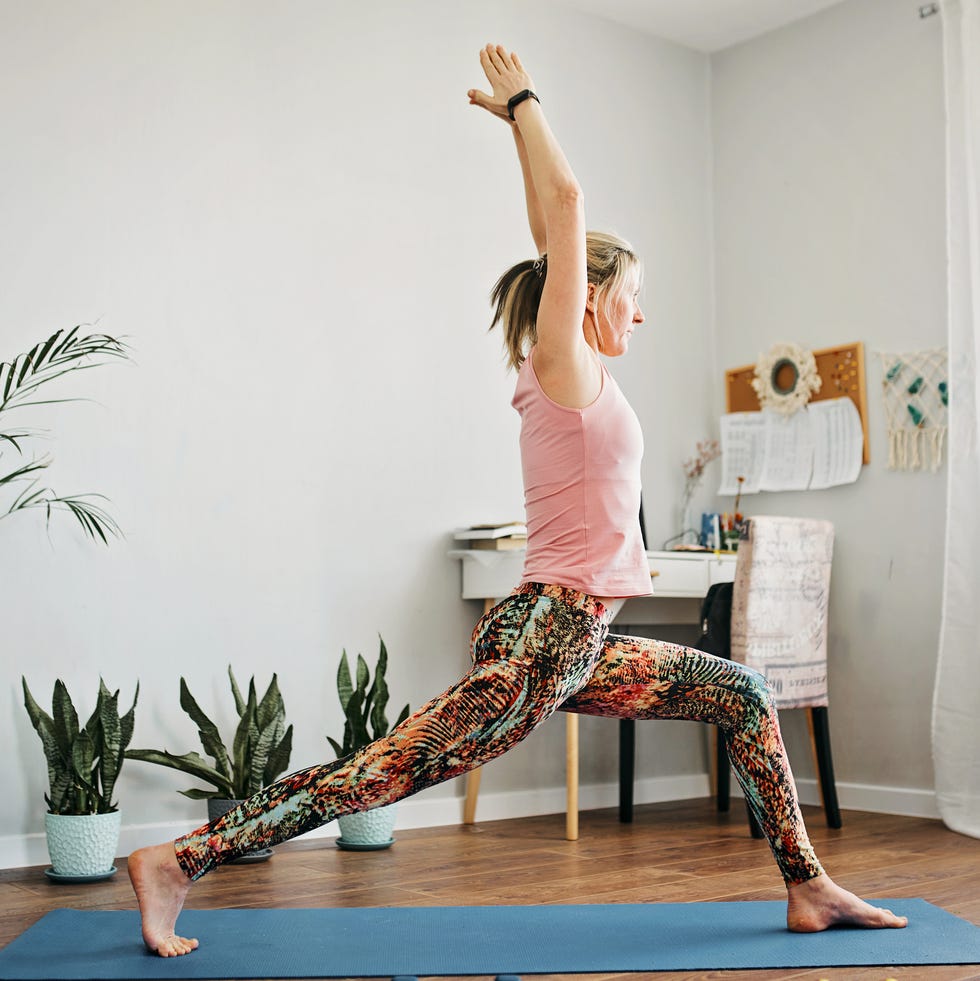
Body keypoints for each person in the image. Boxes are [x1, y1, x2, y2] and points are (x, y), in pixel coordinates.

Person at [128, 44, 907, 957]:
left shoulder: (576, 370)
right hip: (547, 634)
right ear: (592, 297)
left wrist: (513, 134)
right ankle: (183, 857)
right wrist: (527, 101)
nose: (641, 315)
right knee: (384, 772)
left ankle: (808, 885)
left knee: (742, 691)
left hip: (573, 638)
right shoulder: (563, 363)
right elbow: (568, 212)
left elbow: (550, 228)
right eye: (635, 296)